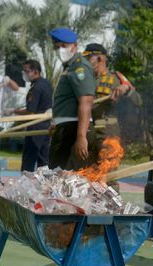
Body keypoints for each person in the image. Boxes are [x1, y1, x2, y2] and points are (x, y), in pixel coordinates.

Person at [48, 27, 97, 170]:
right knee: (59, 178)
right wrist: (57, 122)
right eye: (57, 47)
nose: (60, 50)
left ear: (74, 46)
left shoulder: (79, 67)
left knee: (65, 180)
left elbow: (86, 101)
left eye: (64, 46)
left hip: (74, 129)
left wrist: (81, 136)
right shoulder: (70, 67)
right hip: (67, 127)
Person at [82, 42, 135, 144]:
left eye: (87, 58)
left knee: (107, 159)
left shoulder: (116, 78)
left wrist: (126, 89)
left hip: (108, 133)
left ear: (99, 59)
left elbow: (138, 101)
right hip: (87, 134)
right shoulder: (84, 81)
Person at [14, 59, 52, 172]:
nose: (24, 74)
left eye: (26, 71)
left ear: (35, 71)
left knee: (28, 161)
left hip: (35, 127)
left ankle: (26, 185)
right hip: (46, 126)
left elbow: (30, 111)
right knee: (43, 160)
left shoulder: (36, 87)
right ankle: (45, 186)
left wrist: (15, 111)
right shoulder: (46, 83)